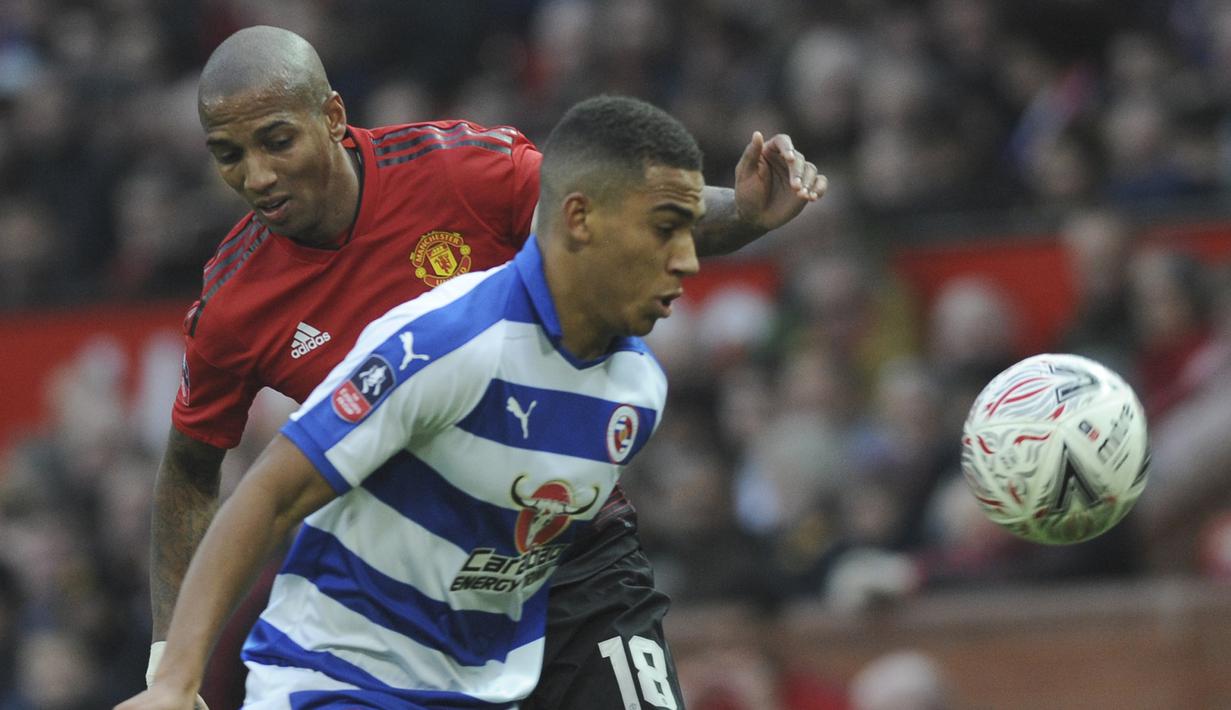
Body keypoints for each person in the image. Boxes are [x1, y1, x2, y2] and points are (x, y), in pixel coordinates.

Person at [147, 25, 824, 710]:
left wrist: (740, 210)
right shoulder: (233, 303)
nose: (255, 176)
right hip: (411, 599)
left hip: (568, 555)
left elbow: (618, 219)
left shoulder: (460, 170)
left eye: (277, 140)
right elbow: (191, 475)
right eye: (228, 155)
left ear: (332, 117)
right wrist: (167, 667)